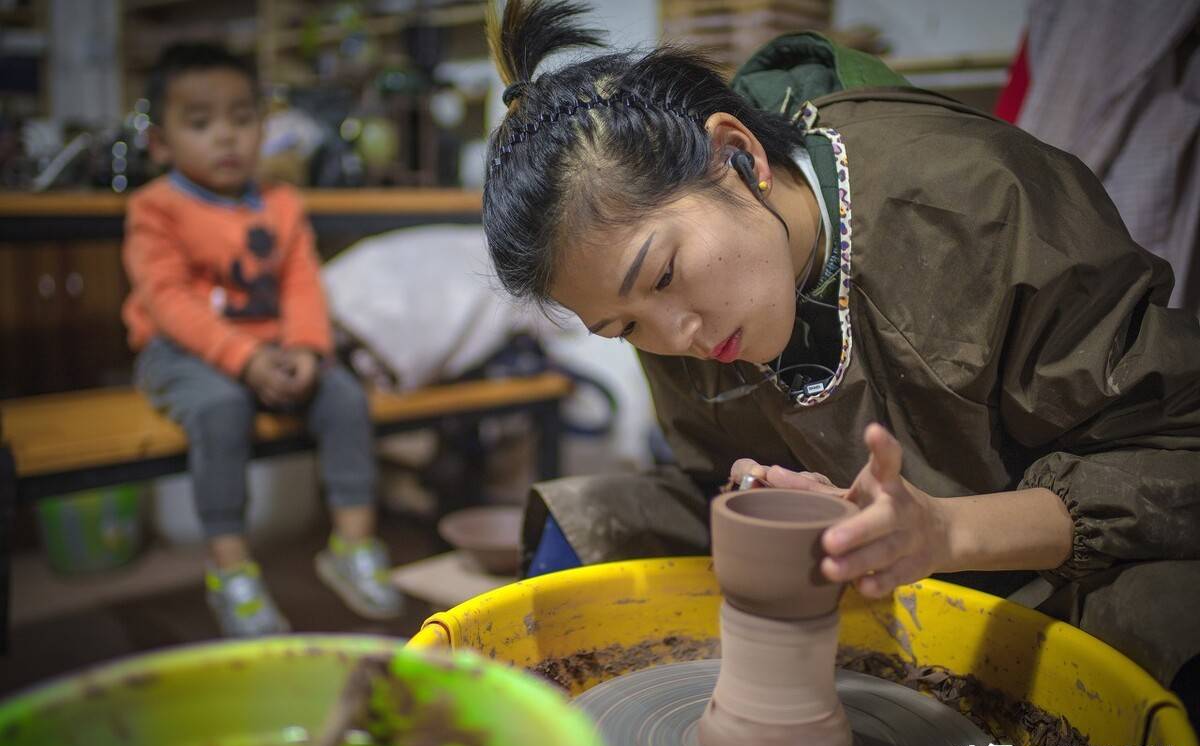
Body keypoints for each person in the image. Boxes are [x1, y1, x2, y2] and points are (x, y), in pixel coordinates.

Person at [481, 1, 1200, 705]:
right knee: (589, 531)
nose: (678, 336)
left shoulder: (974, 203)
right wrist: (761, 495)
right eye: (622, 328)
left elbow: (1176, 454)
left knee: (1163, 621)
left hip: (1048, 557)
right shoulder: (667, 317)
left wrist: (946, 531)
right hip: (862, 555)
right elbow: (708, 468)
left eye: (665, 276)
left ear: (738, 155)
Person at [122, 42, 403, 637]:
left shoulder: (281, 203)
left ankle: (352, 547)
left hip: (273, 350)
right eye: (200, 123)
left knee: (346, 398)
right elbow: (167, 303)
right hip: (181, 352)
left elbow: (303, 281)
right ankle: (231, 572)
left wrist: (305, 348)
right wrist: (244, 359)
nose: (225, 136)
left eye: (242, 118)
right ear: (161, 143)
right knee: (221, 411)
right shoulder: (156, 208)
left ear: (262, 126)